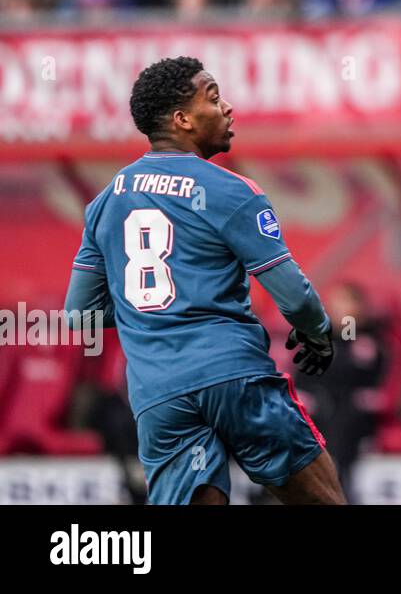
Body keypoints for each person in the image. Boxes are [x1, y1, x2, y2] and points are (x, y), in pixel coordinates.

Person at [63, 57, 346, 505]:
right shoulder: (232, 190)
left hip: (159, 395)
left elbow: (80, 315)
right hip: (235, 377)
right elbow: (293, 294)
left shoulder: (104, 203)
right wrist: (319, 334)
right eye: (213, 98)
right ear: (182, 120)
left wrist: (154, 314)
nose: (228, 107)